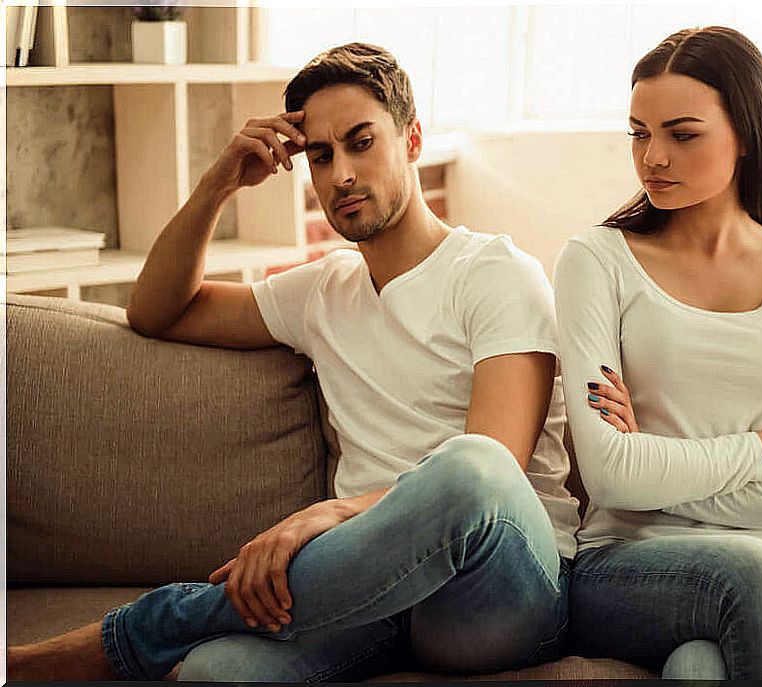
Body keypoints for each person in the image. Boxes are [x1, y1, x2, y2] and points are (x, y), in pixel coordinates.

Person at [7, 42, 579, 682]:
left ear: (413, 139)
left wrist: (327, 514)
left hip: (496, 588)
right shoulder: (322, 292)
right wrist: (219, 180)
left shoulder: (498, 274)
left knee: (469, 468)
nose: (341, 175)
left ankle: (126, 637)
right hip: (368, 599)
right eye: (321, 155)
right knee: (214, 674)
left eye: (362, 143)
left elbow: (493, 466)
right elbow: (156, 310)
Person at [554, 26, 762, 681]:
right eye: (639, 132)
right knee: (752, 572)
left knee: (698, 669)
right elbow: (611, 481)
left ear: (745, 133)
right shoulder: (594, 261)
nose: (652, 157)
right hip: (622, 567)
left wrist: (656, 485)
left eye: (681, 134)